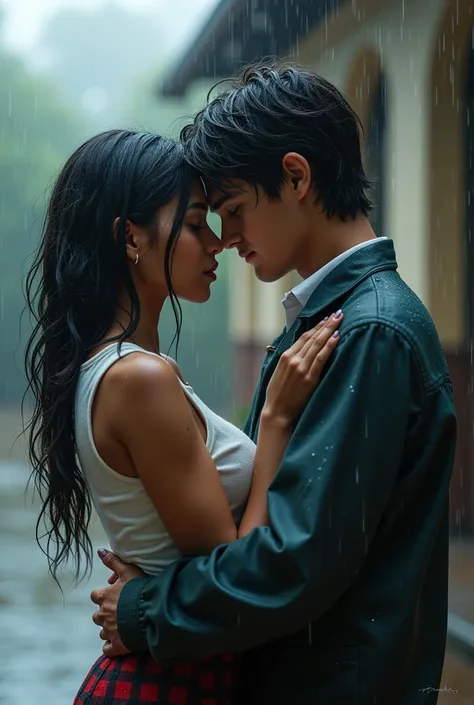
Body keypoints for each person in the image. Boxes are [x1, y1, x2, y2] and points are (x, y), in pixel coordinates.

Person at [91, 63, 457, 705]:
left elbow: (294, 561)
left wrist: (145, 608)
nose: (226, 239)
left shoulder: (370, 333)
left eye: (232, 210)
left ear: (296, 176)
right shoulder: (326, 322)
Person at [23, 128, 341, 704]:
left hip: (174, 670)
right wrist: (273, 420)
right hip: (167, 683)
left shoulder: (126, 369)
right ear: (131, 238)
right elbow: (235, 567)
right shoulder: (138, 380)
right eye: (196, 224)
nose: (217, 243)